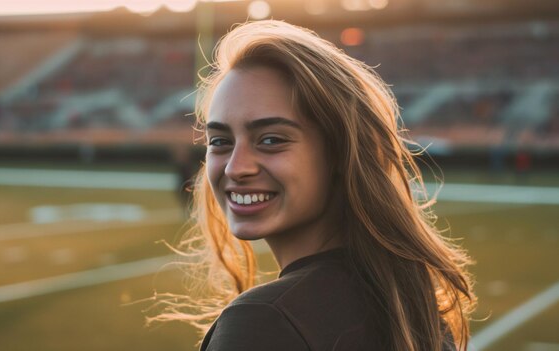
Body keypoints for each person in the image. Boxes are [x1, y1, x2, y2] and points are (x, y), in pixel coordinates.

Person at [148, 20, 476, 351]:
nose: (236, 167)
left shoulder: (265, 322)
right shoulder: (408, 302)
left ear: (339, 152)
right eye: (220, 141)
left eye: (271, 139)